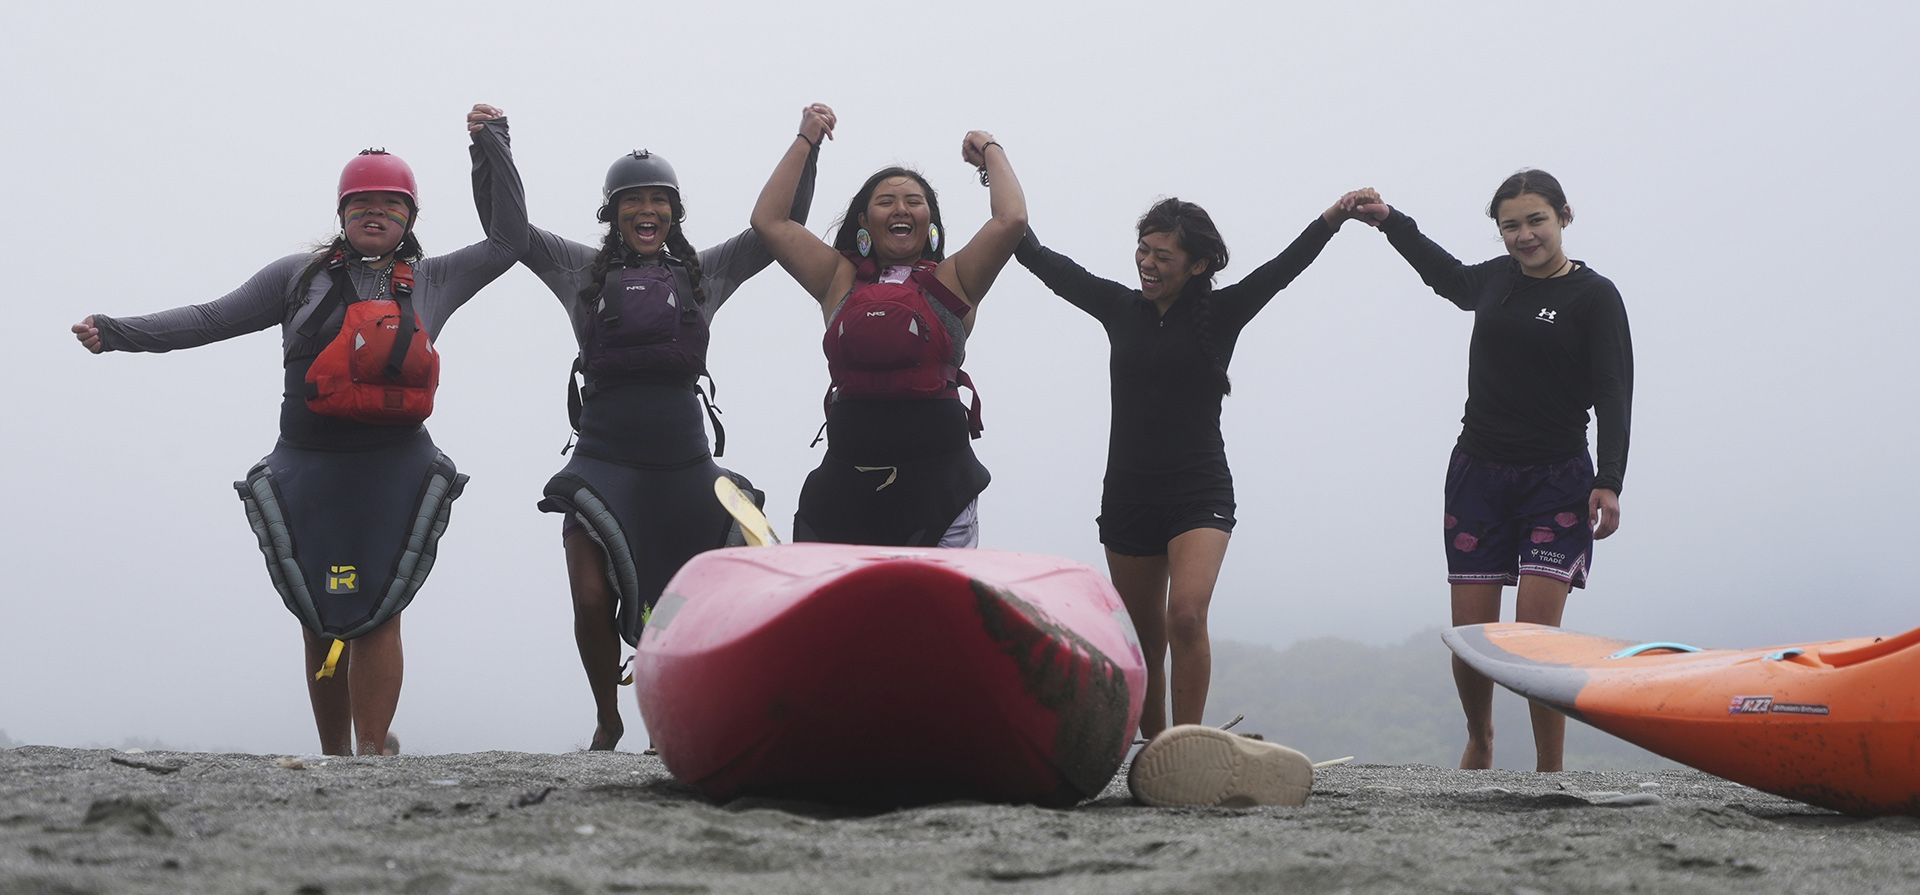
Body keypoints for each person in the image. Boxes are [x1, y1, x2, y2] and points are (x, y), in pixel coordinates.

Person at [68, 105, 528, 756]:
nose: (375, 213)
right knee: (317, 613)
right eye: (361, 204)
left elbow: (509, 241)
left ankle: (370, 752)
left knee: (381, 608)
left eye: (391, 205)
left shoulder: (433, 279)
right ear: (342, 214)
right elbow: (210, 318)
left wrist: (491, 146)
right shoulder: (297, 278)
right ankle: (334, 755)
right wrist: (118, 333)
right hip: (309, 461)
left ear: (410, 219)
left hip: (393, 463)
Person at [470, 104, 830, 751]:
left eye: (658, 201)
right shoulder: (581, 271)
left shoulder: (702, 274)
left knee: (696, 598)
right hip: (602, 460)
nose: (646, 211)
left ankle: (691, 713)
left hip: (684, 465)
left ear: (674, 213)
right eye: (632, 201)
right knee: (589, 595)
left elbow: (780, 231)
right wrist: (490, 146)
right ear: (612, 213)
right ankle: (608, 716)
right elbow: (511, 234)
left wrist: (808, 142)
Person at [1013, 194, 1367, 739]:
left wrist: (1333, 218)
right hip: (1129, 495)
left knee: (1185, 615)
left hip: (1199, 491)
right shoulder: (1119, 307)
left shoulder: (1223, 313)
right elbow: (1035, 255)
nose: (1147, 264)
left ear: (1198, 265)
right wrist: (992, 165)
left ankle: (1187, 745)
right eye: (1143, 250)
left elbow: (1283, 268)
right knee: (1144, 641)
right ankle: (1155, 749)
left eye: (1163, 257)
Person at [1349, 171, 1633, 771]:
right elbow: (1447, 277)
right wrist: (1389, 221)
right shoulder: (1498, 280)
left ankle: (1550, 768)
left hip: (1557, 480)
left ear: (1564, 216)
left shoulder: (1595, 296)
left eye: (1536, 221)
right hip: (1479, 476)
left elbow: (1614, 391)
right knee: (1474, 638)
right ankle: (1481, 737)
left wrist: (1609, 480)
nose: (1525, 235)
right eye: (1511, 226)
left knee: (1536, 639)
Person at [748, 124, 1027, 546]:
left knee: (930, 596)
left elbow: (1011, 220)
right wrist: (806, 140)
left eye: (914, 202)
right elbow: (768, 221)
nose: (901, 209)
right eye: (885, 202)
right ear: (864, 221)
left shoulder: (954, 280)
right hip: (845, 491)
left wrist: (990, 150)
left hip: (940, 493)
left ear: (930, 220)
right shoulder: (838, 279)